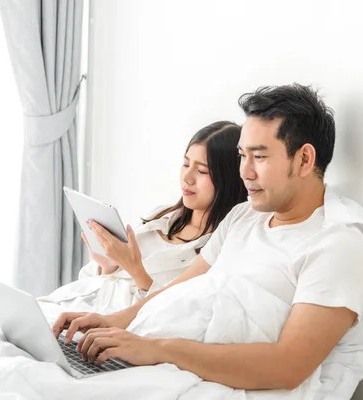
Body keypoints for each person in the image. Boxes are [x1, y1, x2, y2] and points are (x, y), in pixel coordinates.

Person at [52, 84, 363, 398]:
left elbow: (289, 366)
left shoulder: (339, 244)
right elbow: (181, 288)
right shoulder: (244, 216)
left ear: (304, 159)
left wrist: (157, 350)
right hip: (171, 352)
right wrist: (116, 321)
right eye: (243, 156)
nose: (245, 172)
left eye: (259, 157)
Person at [39, 121, 248, 314]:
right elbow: (95, 283)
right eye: (186, 164)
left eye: (202, 171)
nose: (187, 177)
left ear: (228, 179)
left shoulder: (217, 249)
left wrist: (134, 269)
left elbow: (176, 314)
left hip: (116, 322)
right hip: (77, 302)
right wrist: (108, 264)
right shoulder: (162, 216)